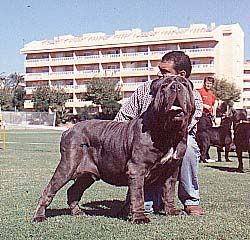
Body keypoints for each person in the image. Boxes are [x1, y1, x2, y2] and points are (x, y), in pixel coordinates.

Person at [114, 51, 205, 216]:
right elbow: (121, 118)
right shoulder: (145, 89)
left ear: (182, 74)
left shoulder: (194, 96)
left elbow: (183, 127)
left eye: (165, 72)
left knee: (189, 147)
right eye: (160, 70)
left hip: (174, 144)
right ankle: (144, 201)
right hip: (145, 144)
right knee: (147, 207)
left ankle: (191, 200)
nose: (159, 74)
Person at [198, 77, 216, 162]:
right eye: (207, 83)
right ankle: (201, 156)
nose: (209, 85)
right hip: (202, 117)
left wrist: (213, 115)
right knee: (202, 137)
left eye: (210, 83)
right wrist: (204, 106)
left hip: (209, 117)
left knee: (209, 137)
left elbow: (213, 106)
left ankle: (206, 156)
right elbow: (196, 103)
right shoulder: (199, 91)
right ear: (204, 83)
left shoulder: (212, 94)